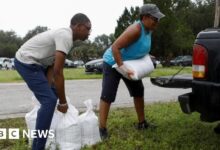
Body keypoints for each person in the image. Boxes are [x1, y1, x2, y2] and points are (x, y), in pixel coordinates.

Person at [14, 13, 91, 150]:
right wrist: (63, 102)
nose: (90, 32)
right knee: (49, 101)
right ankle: (38, 147)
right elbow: (58, 72)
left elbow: (51, 65)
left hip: (38, 64)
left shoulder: (68, 38)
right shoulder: (65, 35)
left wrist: (51, 88)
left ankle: (43, 134)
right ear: (78, 26)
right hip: (26, 62)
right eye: (88, 28)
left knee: (52, 94)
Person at [99, 3, 165, 139]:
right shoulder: (136, 29)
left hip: (130, 63)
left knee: (138, 91)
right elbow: (115, 47)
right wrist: (122, 67)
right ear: (145, 17)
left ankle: (142, 123)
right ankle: (102, 129)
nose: (157, 22)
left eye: (158, 19)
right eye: (155, 18)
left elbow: (138, 47)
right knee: (108, 95)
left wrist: (147, 56)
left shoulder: (149, 30)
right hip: (112, 62)